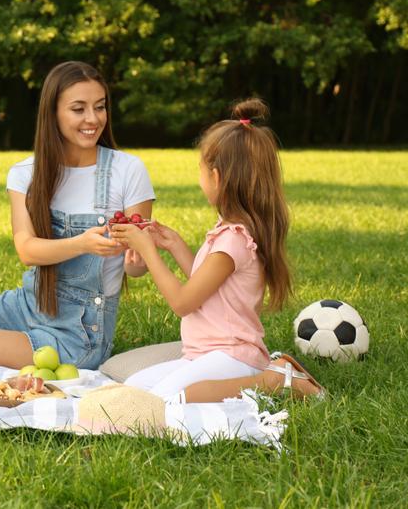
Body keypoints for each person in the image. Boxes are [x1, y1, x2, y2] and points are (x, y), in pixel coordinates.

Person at [0, 61, 155, 369]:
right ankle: (15, 344)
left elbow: (137, 268)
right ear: (53, 113)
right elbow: (27, 249)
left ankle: (10, 348)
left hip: (80, 333)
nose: (93, 119)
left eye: (100, 107)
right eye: (79, 109)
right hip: (29, 304)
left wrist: (138, 261)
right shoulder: (26, 173)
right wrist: (83, 244)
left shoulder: (128, 170)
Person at [111, 99, 325, 403]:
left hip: (231, 356)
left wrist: (148, 252)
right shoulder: (229, 230)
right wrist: (174, 245)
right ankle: (269, 376)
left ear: (217, 177)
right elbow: (206, 288)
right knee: (133, 389)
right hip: (205, 353)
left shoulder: (234, 240)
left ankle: (274, 380)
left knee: (165, 403)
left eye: (200, 169)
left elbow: (184, 302)